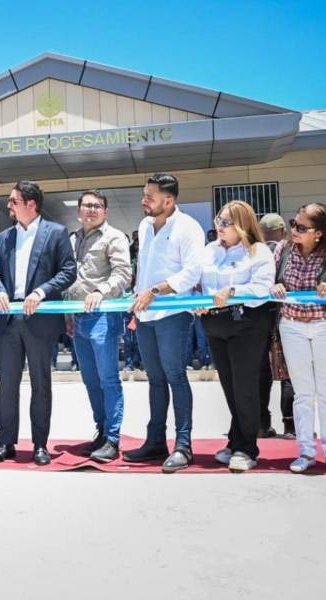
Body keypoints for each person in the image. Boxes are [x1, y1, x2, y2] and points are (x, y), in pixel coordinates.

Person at [0, 181, 77, 465]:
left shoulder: (56, 232)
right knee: (7, 384)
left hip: (39, 319)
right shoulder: (4, 237)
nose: (9, 206)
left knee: (41, 383)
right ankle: (7, 442)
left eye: (14, 201)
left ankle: (40, 443)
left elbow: (68, 271)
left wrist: (41, 292)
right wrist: (0, 290)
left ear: (31, 204)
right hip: (9, 318)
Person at [126, 173, 204, 473]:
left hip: (172, 315)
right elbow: (145, 267)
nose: (144, 200)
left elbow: (191, 273)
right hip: (145, 315)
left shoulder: (188, 228)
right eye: (144, 194)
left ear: (168, 201)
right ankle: (155, 441)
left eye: (150, 196)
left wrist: (155, 291)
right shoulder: (145, 226)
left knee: (175, 376)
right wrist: (139, 294)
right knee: (155, 379)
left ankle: (183, 446)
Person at [271, 203, 326, 476]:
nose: (294, 230)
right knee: (303, 392)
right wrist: (275, 286)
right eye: (293, 224)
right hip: (292, 326)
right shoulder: (283, 250)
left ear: (319, 233)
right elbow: (266, 280)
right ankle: (306, 451)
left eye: (301, 227)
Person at [198, 201, 276, 471]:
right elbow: (201, 283)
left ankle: (246, 449)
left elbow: (262, 287)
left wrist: (232, 290)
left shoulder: (259, 251)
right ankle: (235, 440)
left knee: (245, 388)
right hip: (215, 325)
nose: (219, 226)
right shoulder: (209, 250)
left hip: (247, 324)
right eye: (218, 220)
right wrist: (198, 300)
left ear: (242, 224)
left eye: (226, 222)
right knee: (230, 388)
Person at [66, 190, 132, 462]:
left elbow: (123, 274)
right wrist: (66, 313)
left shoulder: (114, 237)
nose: (91, 210)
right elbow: (68, 277)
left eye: (97, 206)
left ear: (105, 211)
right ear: (79, 210)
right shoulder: (72, 239)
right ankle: (101, 432)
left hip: (103, 316)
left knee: (108, 379)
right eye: (87, 205)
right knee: (90, 380)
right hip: (76, 317)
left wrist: (101, 292)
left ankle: (113, 438)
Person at [259, 213, 293, 437]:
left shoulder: (255, 251)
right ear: (282, 230)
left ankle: (262, 425)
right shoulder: (290, 250)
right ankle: (290, 427)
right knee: (289, 373)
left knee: (261, 373)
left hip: (260, 319)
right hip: (285, 318)